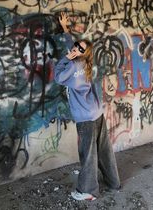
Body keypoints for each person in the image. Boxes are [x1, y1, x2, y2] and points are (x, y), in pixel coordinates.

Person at [54, 12, 121, 201]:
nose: (75, 48)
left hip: (86, 118)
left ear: (84, 54)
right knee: (104, 151)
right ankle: (113, 182)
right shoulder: (85, 62)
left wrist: (66, 58)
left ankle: (88, 191)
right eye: (76, 46)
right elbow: (75, 48)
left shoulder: (74, 66)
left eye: (79, 48)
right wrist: (66, 29)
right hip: (97, 114)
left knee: (88, 154)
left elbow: (59, 77)